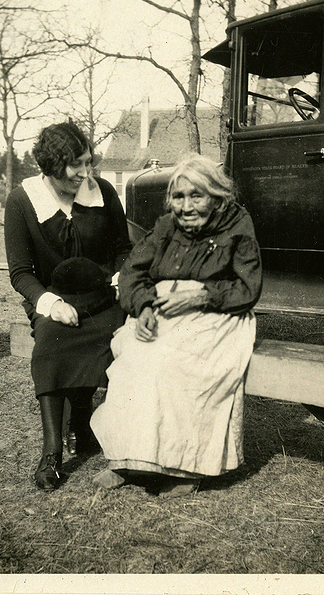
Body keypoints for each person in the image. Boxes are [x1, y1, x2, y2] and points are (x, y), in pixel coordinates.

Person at [90, 154, 263, 497]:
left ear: (216, 197)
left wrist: (201, 296)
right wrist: (143, 308)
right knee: (131, 363)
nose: (185, 206)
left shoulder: (237, 225)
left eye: (195, 196)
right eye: (178, 197)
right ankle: (127, 461)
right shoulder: (167, 226)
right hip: (163, 312)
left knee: (175, 367)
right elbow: (132, 272)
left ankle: (187, 467)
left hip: (217, 314)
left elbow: (248, 288)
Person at [4, 119, 131, 491]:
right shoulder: (22, 201)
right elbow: (20, 272)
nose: (85, 172)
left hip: (103, 297)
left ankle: (83, 419)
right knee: (51, 343)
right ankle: (52, 451)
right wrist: (49, 302)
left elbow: (124, 250)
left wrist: (121, 277)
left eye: (88, 162)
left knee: (115, 337)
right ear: (51, 166)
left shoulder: (103, 191)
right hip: (52, 299)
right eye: (75, 165)